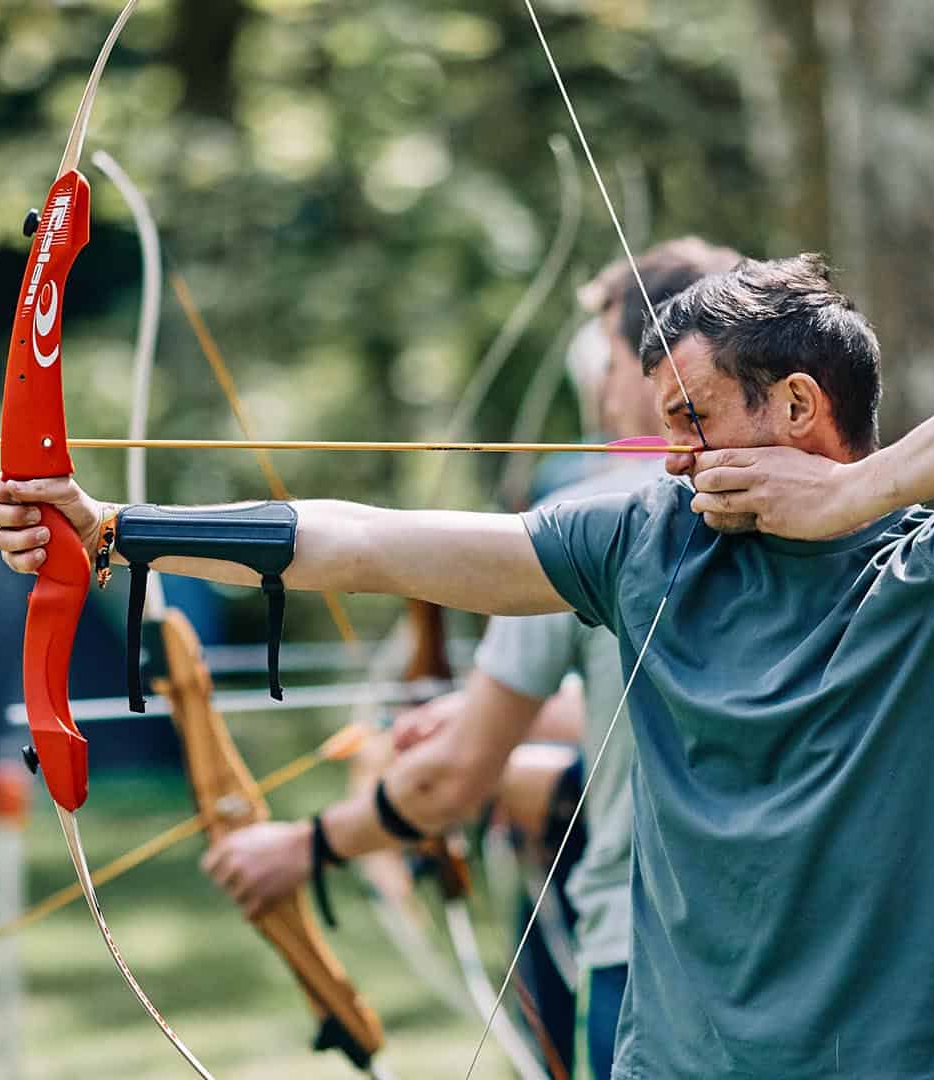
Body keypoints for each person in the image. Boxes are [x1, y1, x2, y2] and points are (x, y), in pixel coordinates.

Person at [0, 253, 934, 1078]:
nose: (667, 453)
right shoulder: (643, 539)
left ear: (800, 408)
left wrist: (854, 495)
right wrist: (118, 529)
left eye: (692, 417)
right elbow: (367, 546)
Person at [195, 236, 742, 1080]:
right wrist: (516, 715)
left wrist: (299, 848)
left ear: (652, 362)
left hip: (646, 971)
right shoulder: (831, 518)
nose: (595, 384)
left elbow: (449, 773)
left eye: (604, 357)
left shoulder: (593, 521)